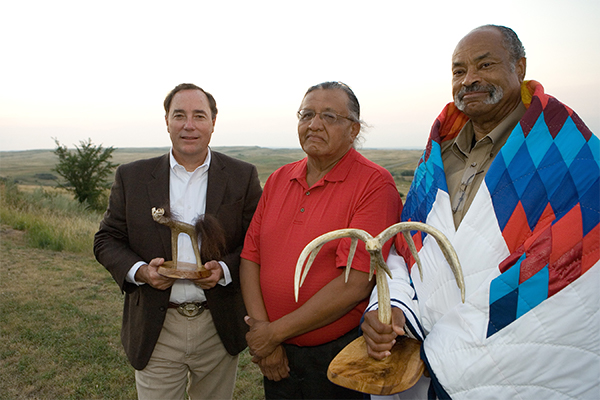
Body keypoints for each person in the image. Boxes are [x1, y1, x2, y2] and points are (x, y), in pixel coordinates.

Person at [361, 25, 599, 399]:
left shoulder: (567, 152)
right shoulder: (438, 155)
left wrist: (448, 347)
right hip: (419, 363)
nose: (469, 79)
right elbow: (405, 248)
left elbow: (574, 267)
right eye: (459, 71)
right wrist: (390, 308)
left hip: (512, 367)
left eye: (484, 65)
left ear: (519, 67)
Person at [94, 83, 263, 399]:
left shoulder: (243, 176)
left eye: (199, 115)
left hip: (218, 326)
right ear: (167, 121)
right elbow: (107, 240)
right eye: (179, 115)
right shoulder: (132, 177)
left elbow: (258, 242)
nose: (189, 125)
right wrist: (141, 271)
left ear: (213, 122)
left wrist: (224, 271)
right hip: (157, 326)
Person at [240, 81, 403, 399]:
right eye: (307, 114)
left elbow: (355, 281)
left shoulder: (374, 184)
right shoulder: (278, 178)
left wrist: (272, 333)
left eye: (329, 116)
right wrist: (265, 335)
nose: (314, 124)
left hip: (335, 357)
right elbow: (251, 257)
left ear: (353, 129)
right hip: (277, 353)